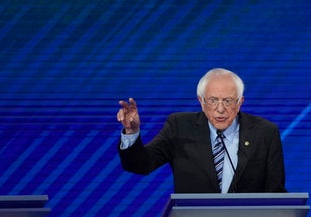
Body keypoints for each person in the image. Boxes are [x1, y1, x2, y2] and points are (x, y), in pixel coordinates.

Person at [116, 68, 287, 193]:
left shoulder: (265, 133)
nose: (220, 109)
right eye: (213, 100)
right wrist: (132, 131)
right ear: (201, 101)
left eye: (228, 101)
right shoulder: (180, 127)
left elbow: (275, 193)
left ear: (240, 102)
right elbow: (140, 165)